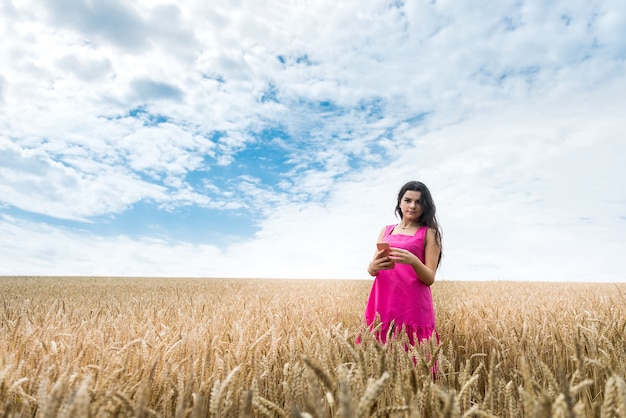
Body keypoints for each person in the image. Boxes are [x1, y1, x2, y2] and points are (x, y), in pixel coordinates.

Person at [363, 180, 442, 348]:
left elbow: (429, 278)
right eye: (408, 200)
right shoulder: (386, 230)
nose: (412, 206)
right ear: (399, 202)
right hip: (383, 298)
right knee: (380, 350)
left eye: (419, 202)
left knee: (415, 352)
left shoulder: (429, 233)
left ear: (425, 206)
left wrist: (413, 261)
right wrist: (373, 267)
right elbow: (372, 269)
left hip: (412, 302)